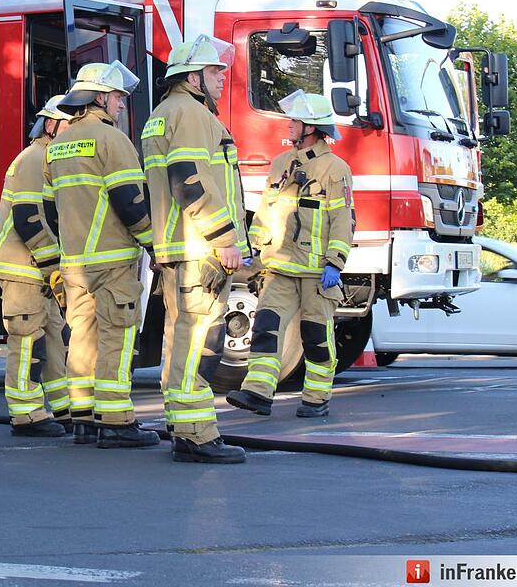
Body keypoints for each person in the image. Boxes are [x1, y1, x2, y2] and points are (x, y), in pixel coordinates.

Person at [140, 34, 249, 464]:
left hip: (176, 249)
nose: (223, 78)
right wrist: (224, 238)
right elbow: (190, 179)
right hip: (199, 248)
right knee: (201, 342)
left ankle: (181, 424)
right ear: (192, 76)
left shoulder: (161, 115)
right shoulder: (190, 113)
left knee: (178, 340)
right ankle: (197, 436)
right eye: (215, 71)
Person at [42, 61, 159, 448]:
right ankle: (116, 420)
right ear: (101, 98)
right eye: (119, 98)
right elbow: (130, 200)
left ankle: (83, 417)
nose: (122, 105)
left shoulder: (57, 145)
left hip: (74, 262)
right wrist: (152, 244)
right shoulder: (112, 140)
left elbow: (50, 208)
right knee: (117, 337)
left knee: (81, 337)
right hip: (111, 258)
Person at [227, 90, 355, 418]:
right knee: (266, 328)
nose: (289, 126)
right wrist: (252, 248)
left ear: (311, 127)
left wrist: (335, 263)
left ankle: (316, 398)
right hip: (280, 268)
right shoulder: (282, 164)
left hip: (316, 274)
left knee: (315, 338)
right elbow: (267, 211)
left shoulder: (334, 168)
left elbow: (344, 220)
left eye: (295, 121)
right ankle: (257, 393)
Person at [0, 95, 74, 436]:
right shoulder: (34, 158)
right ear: (50, 125)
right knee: (27, 341)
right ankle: (26, 415)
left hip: (40, 268)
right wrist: (53, 263)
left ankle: (65, 407)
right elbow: (28, 220)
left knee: (54, 338)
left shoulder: (52, 159)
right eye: (67, 125)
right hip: (22, 268)